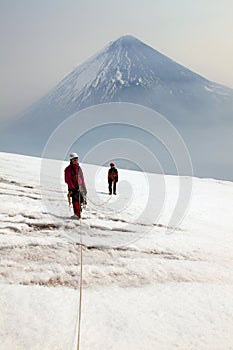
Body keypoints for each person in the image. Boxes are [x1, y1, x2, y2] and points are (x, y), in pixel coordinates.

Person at [64, 152, 87, 219]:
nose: (76, 160)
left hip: (80, 187)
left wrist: (84, 188)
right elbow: (67, 180)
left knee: (81, 200)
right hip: (73, 188)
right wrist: (73, 188)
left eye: (76, 159)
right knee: (75, 200)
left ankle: (78, 213)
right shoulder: (68, 169)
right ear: (71, 160)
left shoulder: (79, 168)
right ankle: (77, 214)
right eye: (74, 159)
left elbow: (82, 178)